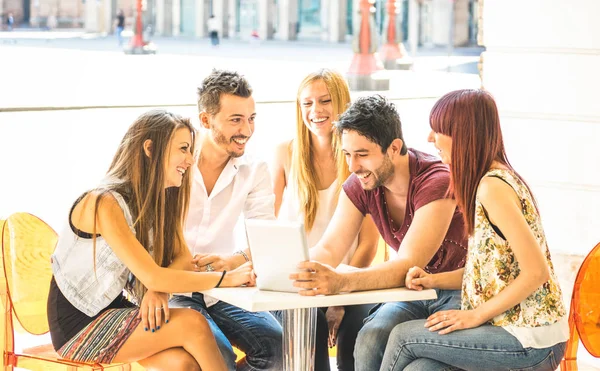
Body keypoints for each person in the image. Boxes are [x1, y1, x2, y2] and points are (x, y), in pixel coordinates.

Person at [47, 110, 256, 371]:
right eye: (183, 149)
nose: (190, 160)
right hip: (78, 325)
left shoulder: (160, 201)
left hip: (116, 312)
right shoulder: (103, 202)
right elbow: (153, 276)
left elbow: (182, 258)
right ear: (149, 148)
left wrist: (158, 290)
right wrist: (228, 278)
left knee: (183, 364)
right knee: (193, 324)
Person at [379, 89, 569, 371]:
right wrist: (433, 280)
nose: (430, 138)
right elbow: (488, 273)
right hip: (509, 331)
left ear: (463, 133)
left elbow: (535, 272)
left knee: (403, 337)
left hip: (531, 341)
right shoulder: (488, 181)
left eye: (438, 130)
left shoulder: (493, 188)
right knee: (420, 369)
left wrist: (475, 316)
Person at [288, 95, 469, 370]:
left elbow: (408, 264)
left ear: (394, 148)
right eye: (347, 154)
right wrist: (289, 269)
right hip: (414, 293)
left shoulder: (437, 180)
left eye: (362, 155)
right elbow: (329, 249)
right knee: (370, 338)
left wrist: (340, 282)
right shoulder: (361, 183)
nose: (352, 166)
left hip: (459, 290)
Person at [168, 69, 283, 370]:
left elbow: (265, 237)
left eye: (251, 118)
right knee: (218, 354)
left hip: (220, 291)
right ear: (206, 120)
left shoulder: (254, 170)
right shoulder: (174, 161)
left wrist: (233, 261)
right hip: (170, 288)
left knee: (278, 345)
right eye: (236, 120)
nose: (246, 129)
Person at [271, 68, 380, 371]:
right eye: (307, 103)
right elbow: (266, 223)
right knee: (308, 329)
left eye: (324, 101)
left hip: (349, 278)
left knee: (358, 339)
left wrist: (340, 295)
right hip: (299, 285)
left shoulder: (359, 157)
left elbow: (369, 245)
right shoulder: (284, 153)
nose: (315, 111)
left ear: (342, 103)